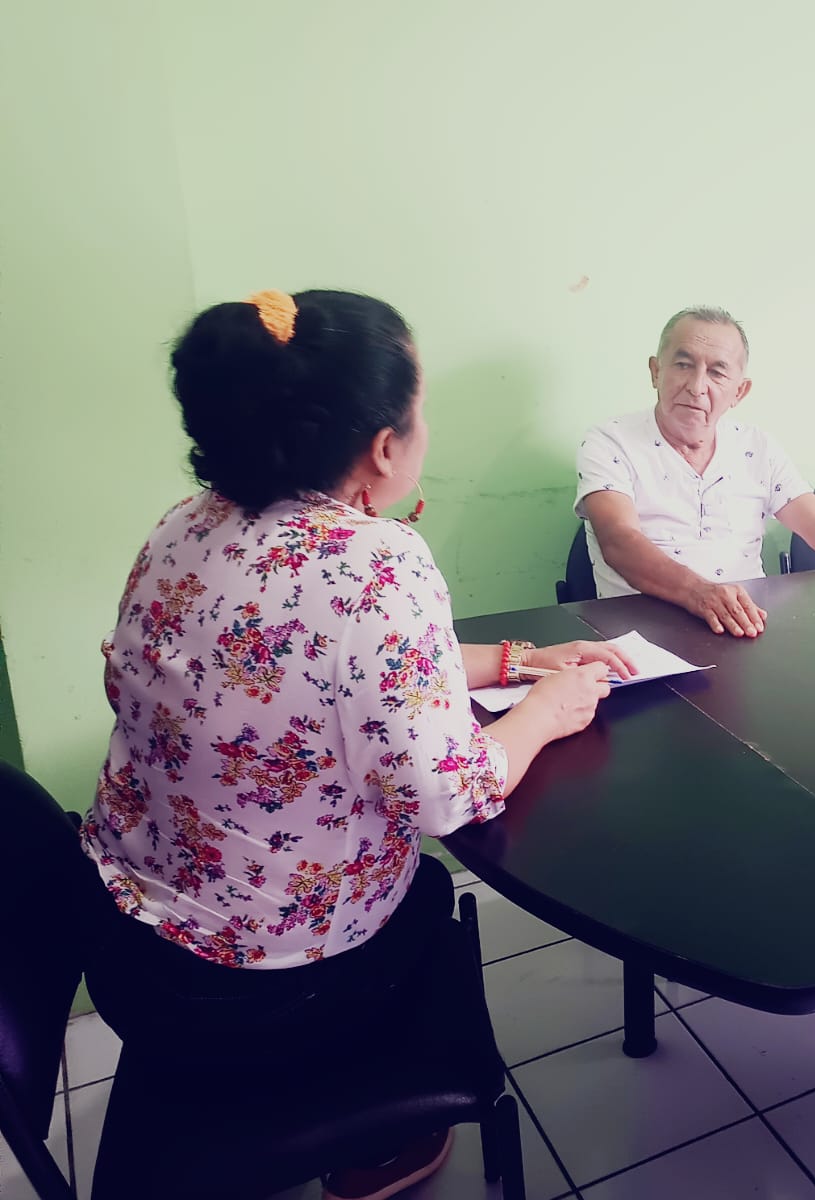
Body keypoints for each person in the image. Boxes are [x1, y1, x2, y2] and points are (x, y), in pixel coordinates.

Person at [79, 289, 629, 1200]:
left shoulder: (186, 523)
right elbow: (448, 796)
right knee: (425, 898)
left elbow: (322, 665)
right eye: (423, 408)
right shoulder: (376, 564)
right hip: (265, 992)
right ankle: (375, 1143)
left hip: (129, 949)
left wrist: (518, 659)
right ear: (383, 446)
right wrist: (549, 707)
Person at [575, 306, 815, 635]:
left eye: (717, 372)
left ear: (739, 392)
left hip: (743, 627)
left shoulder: (756, 445)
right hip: (638, 639)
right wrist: (700, 594)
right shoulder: (610, 441)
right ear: (655, 371)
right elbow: (619, 541)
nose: (696, 386)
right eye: (683, 364)